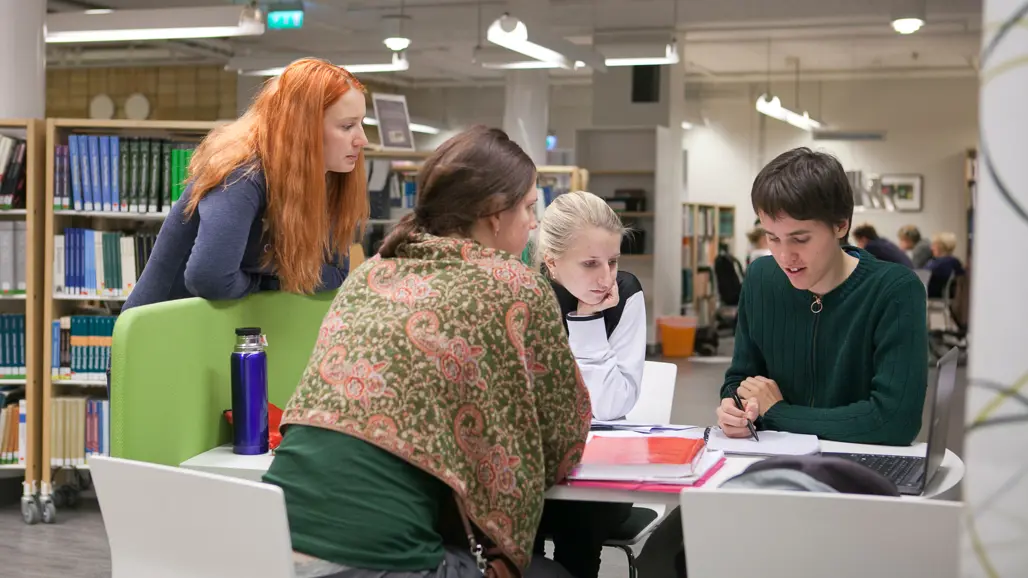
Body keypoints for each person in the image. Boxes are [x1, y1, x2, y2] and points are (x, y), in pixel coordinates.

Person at [263, 126, 590, 578]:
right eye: (530, 207)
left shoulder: (370, 273)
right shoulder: (515, 286)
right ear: (495, 213)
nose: (535, 223)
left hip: (268, 546)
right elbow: (562, 442)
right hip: (380, 562)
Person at [634, 147, 929, 578]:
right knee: (666, 553)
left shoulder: (894, 290)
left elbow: (895, 421)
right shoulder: (762, 278)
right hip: (763, 470)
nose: (784, 255)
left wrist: (777, 412)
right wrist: (736, 409)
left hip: (852, 484)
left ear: (840, 226)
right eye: (772, 238)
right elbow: (740, 377)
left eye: (800, 238)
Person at [121, 57, 368, 314]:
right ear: (303, 128)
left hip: (221, 333)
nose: (362, 139)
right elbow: (209, 277)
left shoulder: (328, 180)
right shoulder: (242, 173)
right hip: (159, 336)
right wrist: (275, 276)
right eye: (347, 126)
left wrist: (268, 268)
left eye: (361, 123)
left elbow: (335, 274)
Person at [531, 191, 645, 578]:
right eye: (590, 264)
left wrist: (587, 320)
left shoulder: (625, 294)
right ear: (552, 262)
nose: (606, 277)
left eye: (612, 261)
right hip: (533, 469)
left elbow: (611, 406)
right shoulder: (526, 294)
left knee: (581, 525)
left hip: (597, 475)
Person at [925, 232, 965, 299]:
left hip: (931, 296)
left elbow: (922, 276)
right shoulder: (954, 262)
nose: (931, 248)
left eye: (934, 245)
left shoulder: (939, 264)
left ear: (941, 247)